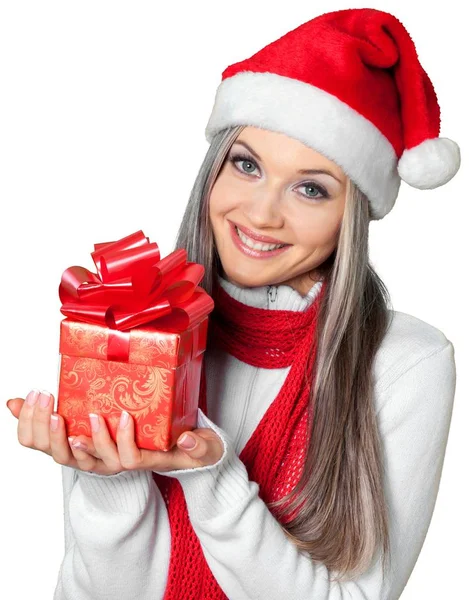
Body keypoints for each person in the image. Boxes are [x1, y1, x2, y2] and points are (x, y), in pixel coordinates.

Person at [6, 7, 460, 600]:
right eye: (246, 165)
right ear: (213, 170)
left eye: (311, 188)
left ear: (352, 215)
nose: (262, 213)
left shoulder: (406, 364)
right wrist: (108, 485)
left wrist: (212, 477)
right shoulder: (134, 327)